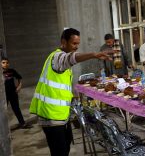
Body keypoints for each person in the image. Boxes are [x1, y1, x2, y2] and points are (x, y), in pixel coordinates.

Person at [29, 28, 113, 156]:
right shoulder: (57, 57)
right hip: (51, 115)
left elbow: (62, 86)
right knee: (60, 151)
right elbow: (71, 58)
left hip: (60, 114)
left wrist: (73, 98)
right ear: (64, 42)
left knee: (66, 146)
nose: (76, 47)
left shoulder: (63, 64)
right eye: (74, 43)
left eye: (78, 44)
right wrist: (93, 54)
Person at [1, 58, 31, 129]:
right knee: (3, 111)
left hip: (13, 93)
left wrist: (19, 86)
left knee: (16, 108)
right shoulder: (0, 72)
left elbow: (19, 78)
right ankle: (3, 128)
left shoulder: (12, 71)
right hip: (4, 95)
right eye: (3, 62)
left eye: (7, 63)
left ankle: (22, 124)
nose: (5, 64)